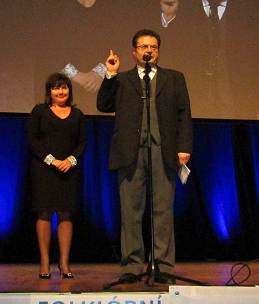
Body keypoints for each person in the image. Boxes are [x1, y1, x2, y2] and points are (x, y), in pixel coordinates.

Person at [97, 29, 193, 284]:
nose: (148, 50)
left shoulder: (174, 78)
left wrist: (184, 146)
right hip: (130, 152)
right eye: (143, 47)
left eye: (153, 47)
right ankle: (131, 265)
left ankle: (163, 266)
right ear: (134, 51)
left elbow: (184, 114)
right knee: (131, 212)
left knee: (163, 211)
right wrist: (110, 74)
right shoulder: (122, 79)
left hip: (163, 150)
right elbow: (103, 105)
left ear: (158, 51)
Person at [28, 73, 87, 279]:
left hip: (69, 170)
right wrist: (51, 160)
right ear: (49, 92)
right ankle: (45, 262)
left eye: (64, 88)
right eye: (56, 88)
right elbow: (32, 140)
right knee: (44, 212)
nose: (61, 92)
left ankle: (64, 262)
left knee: (66, 214)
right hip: (44, 170)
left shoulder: (77, 114)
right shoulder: (39, 111)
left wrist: (70, 161)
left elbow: (82, 142)